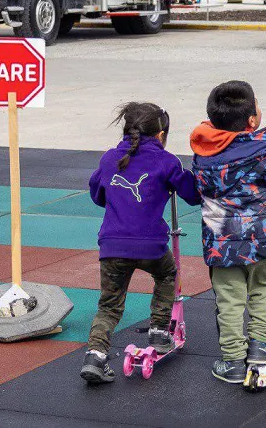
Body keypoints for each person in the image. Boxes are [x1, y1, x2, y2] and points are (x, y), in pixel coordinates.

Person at [80, 102, 202, 385]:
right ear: (160, 134)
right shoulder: (166, 160)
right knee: (166, 273)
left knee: (109, 306)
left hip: (112, 246)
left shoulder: (110, 158)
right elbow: (192, 194)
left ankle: (95, 356)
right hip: (151, 245)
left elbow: (98, 195)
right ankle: (160, 330)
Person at [190, 81, 266, 383]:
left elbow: (197, 189)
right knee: (263, 287)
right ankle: (261, 344)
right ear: (252, 120)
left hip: (221, 242)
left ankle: (233, 360)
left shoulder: (203, 154)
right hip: (262, 238)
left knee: (228, 299)